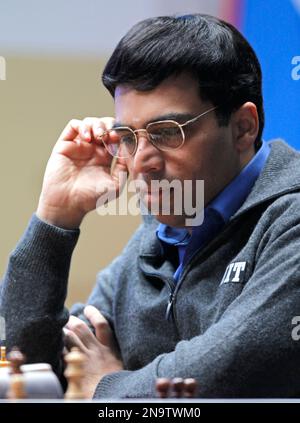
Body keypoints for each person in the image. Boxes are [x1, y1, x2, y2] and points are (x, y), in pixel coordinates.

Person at [1, 13, 300, 399]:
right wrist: (55, 219)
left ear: (243, 127)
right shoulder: (154, 237)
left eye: (166, 133)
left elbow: (229, 371)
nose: (141, 160)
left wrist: (107, 387)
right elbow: (35, 369)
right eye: (126, 136)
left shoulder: (289, 221)